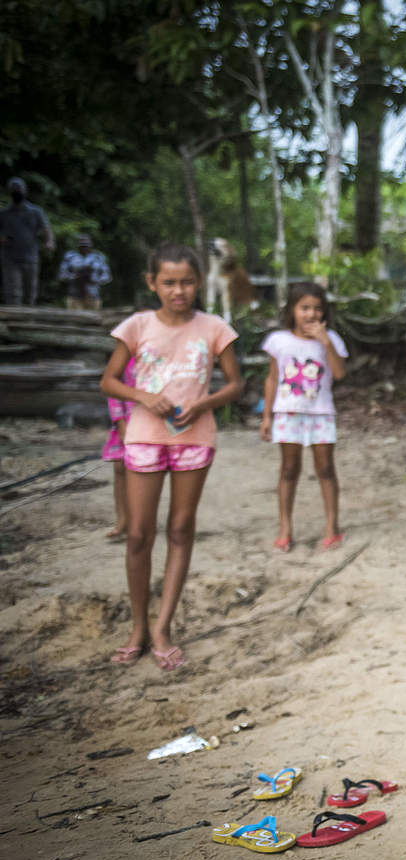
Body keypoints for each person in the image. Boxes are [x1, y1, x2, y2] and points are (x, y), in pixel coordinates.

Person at [99, 242, 242, 670]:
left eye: (186, 282)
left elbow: (236, 384)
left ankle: (163, 627)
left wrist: (205, 404)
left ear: (199, 283)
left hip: (195, 439)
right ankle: (138, 627)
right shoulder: (137, 326)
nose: (178, 290)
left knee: (181, 529)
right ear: (152, 283)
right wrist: (143, 396)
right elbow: (108, 381)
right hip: (144, 437)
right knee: (140, 533)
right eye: (168, 282)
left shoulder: (216, 327)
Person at [258, 281, 348, 553]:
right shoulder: (279, 341)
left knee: (325, 469)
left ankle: (331, 527)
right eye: (304, 308)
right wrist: (266, 417)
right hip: (287, 413)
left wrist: (325, 342)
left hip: (321, 413)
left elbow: (340, 373)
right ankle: (285, 528)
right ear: (292, 310)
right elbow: (273, 379)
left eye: (317, 309)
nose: (311, 314)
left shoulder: (331, 339)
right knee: (288, 470)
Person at [0, 176, 54, 306]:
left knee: (30, 292)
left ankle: (29, 320)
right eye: (14, 189)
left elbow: (46, 229)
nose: (16, 192)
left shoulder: (35, 212)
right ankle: (14, 320)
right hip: (10, 258)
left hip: (30, 256)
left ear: (25, 191)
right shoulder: (4, 213)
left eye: (18, 189)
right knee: (13, 292)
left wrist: (49, 242)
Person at [102, 357, 138, 540]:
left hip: (153, 420)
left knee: (143, 472)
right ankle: (122, 520)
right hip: (126, 419)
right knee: (120, 467)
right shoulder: (124, 356)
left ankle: (138, 521)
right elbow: (112, 387)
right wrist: (120, 422)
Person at [58, 233, 112, 309]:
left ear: (91, 245)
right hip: (75, 296)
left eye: (86, 245)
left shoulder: (98, 257)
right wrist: (74, 277)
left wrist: (95, 280)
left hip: (93, 295)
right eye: (82, 245)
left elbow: (107, 276)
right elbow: (62, 275)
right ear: (77, 245)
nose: (84, 248)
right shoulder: (70, 257)